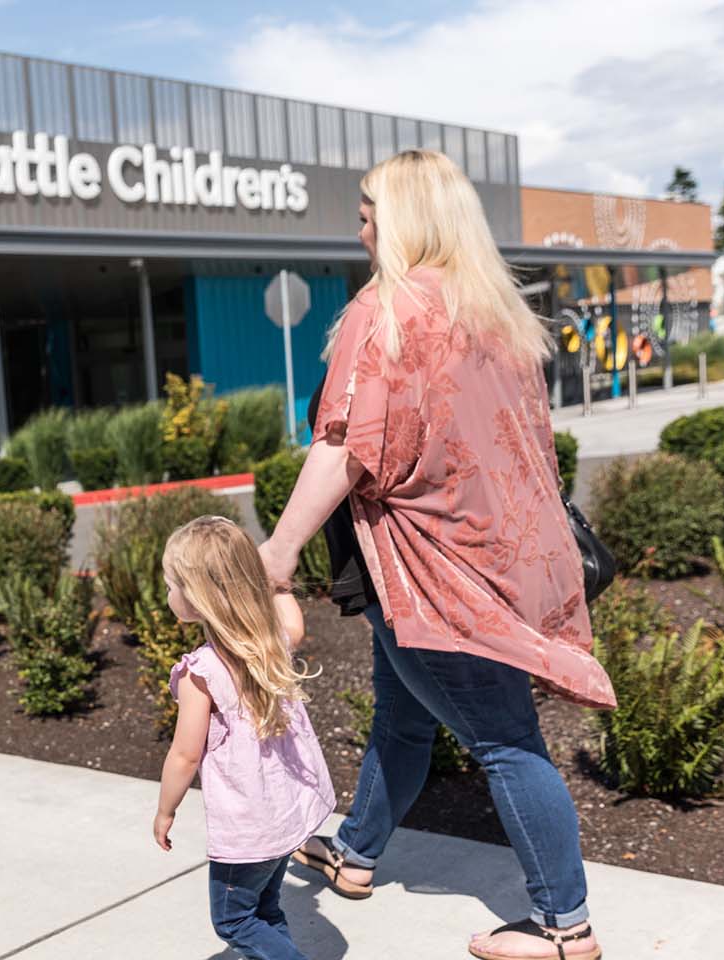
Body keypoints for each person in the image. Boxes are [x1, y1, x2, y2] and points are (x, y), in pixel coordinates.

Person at [258, 149, 614, 960]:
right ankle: (356, 854)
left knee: (506, 742)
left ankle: (566, 928)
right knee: (402, 715)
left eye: (370, 207)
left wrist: (276, 555)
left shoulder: (386, 310)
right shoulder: (495, 311)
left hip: (436, 569)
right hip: (501, 554)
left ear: (407, 216)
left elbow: (346, 447)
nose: (361, 221)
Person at [153, 516, 335, 960]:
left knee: (233, 919)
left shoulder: (204, 672)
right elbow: (294, 621)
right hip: (283, 816)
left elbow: (183, 754)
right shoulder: (269, 642)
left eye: (172, 583)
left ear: (197, 599)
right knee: (265, 907)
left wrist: (165, 810)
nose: (168, 592)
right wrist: (277, 583)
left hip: (249, 827)